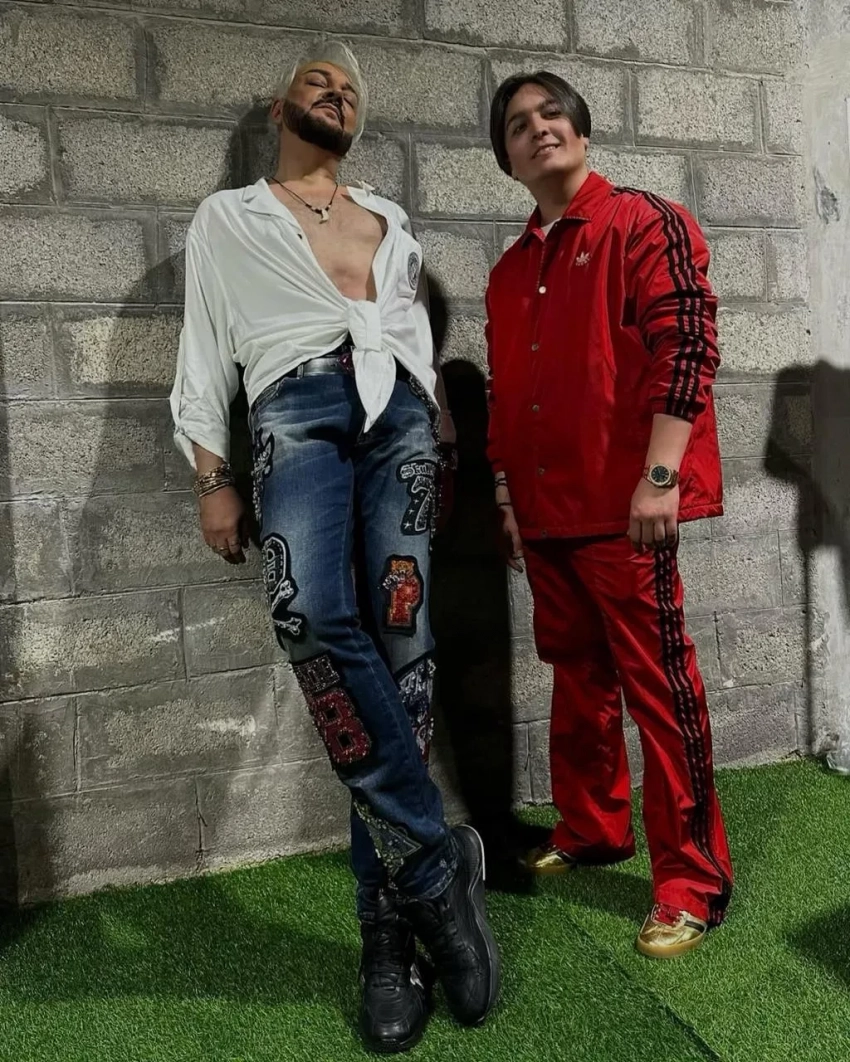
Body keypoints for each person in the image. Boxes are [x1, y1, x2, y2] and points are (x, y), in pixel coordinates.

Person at [169, 42, 500, 1052]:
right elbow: (203, 349)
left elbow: (410, 340)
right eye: (319, 80)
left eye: (351, 90)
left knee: (404, 665)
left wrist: (437, 422)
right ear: (281, 108)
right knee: (308, 613)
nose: (337, 93)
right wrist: (213, 475)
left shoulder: (389, 220)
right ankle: (436, 863)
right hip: (296, 410)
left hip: (401, 428)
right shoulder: (231, 217)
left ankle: (387, 939)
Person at [484, 71, 734, 958]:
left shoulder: (643, 220)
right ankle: (593, 828)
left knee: (661, 689)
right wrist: (508, 498)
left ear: (582, 131)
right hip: (545, 513)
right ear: (507, 158)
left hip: (626, 509)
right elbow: (505, 394)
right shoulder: (509, 271)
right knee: (578, 677)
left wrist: (660, 475)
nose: (538, 128)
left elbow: (688, 344)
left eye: (552, 113)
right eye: (518, 124)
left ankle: (692, 881)